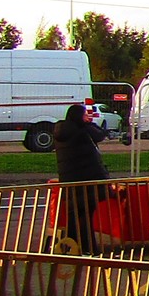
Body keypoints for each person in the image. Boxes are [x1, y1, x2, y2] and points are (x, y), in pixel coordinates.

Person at [52, 102, 108, 252]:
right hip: (87, 179)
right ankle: (88, 247)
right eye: (84, 115)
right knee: (85, 215)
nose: (87, 117)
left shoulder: (62, 132)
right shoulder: (82, 132)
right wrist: (91, 124)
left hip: (70, 179)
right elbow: (99, 135)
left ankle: (71, 246)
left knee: (74, 215)